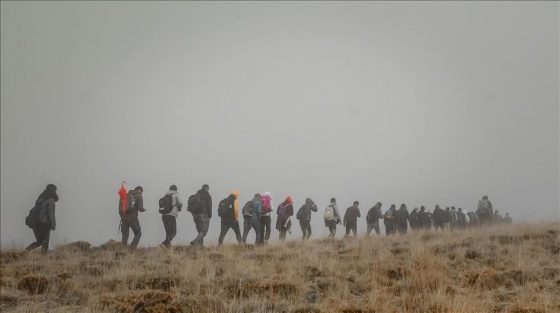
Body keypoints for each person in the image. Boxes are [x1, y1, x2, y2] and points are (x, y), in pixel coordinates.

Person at [26, 184, 58, 254]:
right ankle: (43, 257)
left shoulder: (40, 199)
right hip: (45, 223)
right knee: (45, 241)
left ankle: (24, 251)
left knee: (39, 241)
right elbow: (51, 213)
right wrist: (53, 225)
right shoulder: (51, 200)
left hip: (36, 223)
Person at [119, 186, 145, 250]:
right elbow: (140, 208)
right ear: (140, 190)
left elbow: (120, 208)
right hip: (133, 218)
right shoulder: (138, 196)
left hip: (124, 218)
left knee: (125, 235)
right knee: (138, 233)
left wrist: (122, 216)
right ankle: (132, 248)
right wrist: (143, 209)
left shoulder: (125, 196)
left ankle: (123, 249)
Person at [160, 185, 183, 249]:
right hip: (172, 215)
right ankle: (164, 243)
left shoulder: (166, 195)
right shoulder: (176, 194)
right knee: (173, 232)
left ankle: (167, 246)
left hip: (164, 215)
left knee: (168, 232)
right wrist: (179, 209)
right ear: (176, 189)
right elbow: (180, 203)